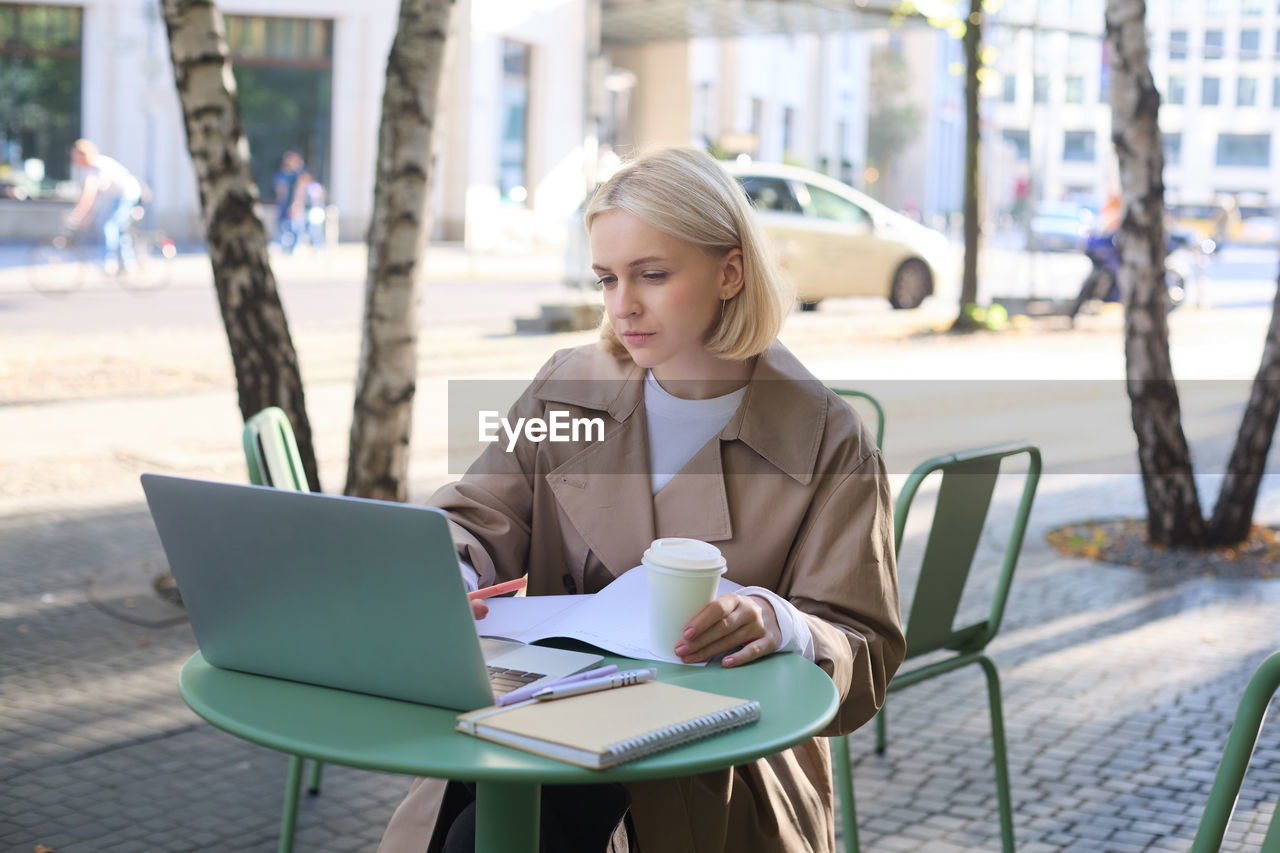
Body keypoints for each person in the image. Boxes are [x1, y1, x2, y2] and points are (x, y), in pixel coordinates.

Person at [378, 146, 905, 853]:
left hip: (714, 763)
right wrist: (449, 570)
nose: (623, 305)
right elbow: (475, 514)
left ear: (730, 270)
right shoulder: (569, 384)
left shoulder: (830, 441)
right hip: (531, 714)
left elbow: (864, 648)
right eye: (607, 279)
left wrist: (781, 622)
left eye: (652, 275)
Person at [66, 139, 143, 274]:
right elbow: (92, 196)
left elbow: (90, 195)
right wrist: (86, 215)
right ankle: (128, 262)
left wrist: (78, 214)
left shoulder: (97, 166)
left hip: (128, 194)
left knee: (110, 226)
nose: (73, 158)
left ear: (82, 154)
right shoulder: (89, 169)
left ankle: (109, 261)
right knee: (119, 228)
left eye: (75, 155)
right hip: (120, 195)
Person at [273, 150, 306, 253]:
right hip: (284, 205)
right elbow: (280, 191)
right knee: (284, 227)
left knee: (295, 228)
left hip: (294, 205)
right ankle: (285, 248)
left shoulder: (297, 176)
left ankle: (293, 248)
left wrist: (296, 205)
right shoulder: (281, 175)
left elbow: (300, 192)